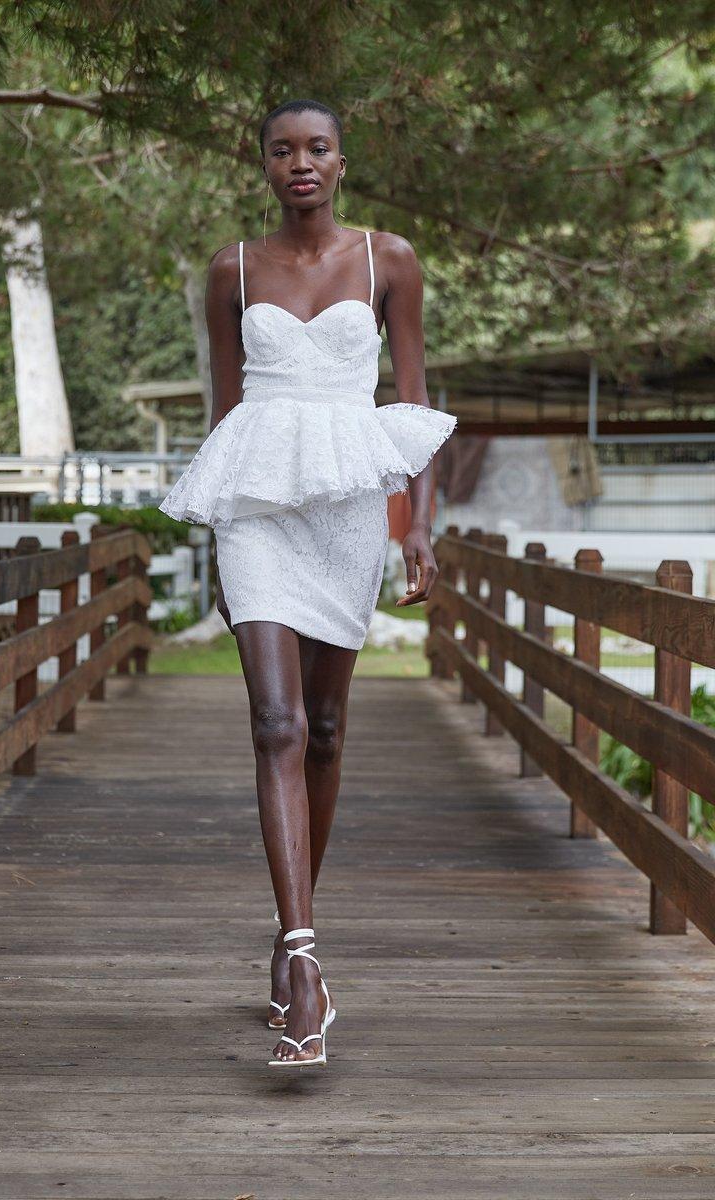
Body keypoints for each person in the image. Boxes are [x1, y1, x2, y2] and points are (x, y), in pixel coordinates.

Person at [159, 98, 456, 1068]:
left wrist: (413, 527)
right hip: (254, 509)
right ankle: (298, 961)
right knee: (276, 724)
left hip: (341, 508)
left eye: (315, 148)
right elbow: (220, 406)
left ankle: (296, 929)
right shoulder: (230, 269)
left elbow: (412, 403)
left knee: (324, 730)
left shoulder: (388, 260)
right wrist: (211, 543)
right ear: (260, 165)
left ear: (340, 161)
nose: (300, 163)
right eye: (281, 150)